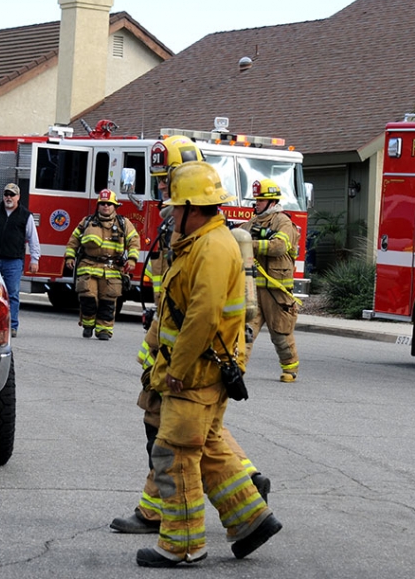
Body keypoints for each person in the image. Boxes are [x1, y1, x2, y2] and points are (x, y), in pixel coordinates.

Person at [111, 136, 269, 536]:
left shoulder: (219, 240)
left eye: (169, 185)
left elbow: (215, 311)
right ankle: (245, 494)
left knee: (177, 436)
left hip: (205, 352)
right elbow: (170, 294)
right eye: (162, 184)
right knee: (187, 431)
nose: (165, 195)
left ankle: (171, 523)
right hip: (176, 342)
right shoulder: (183, 231)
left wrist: (208, 362)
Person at [136, 161, 281, 568]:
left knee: (175, 453)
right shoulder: (202, 242)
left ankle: (183, 546)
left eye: (175, 208)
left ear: (194, 209)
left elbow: (201, 317)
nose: (170, 215)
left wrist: (177, 371)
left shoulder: (212, 248)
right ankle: (251, 520)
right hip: (202, 370)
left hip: (195, 373)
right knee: (211, 448)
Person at [240, 179, 302, 382]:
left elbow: (279, 246)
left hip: (277, 290)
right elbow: (237, 237)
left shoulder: (283, 221)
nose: (256, 203)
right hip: (253, 290)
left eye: (260, 200)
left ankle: (290, 369)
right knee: (245, 331)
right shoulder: (252, 223)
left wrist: (252, 243)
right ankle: (237, 367)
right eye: (256, 200)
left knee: (281, 334)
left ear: (272, 202)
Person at [64, 189, 140, 340]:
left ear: (115, 206)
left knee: (108, 301)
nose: (106, 206)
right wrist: (70, 258)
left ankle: (104, 330)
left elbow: (134, 241)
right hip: (89, 266)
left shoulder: (124, 224)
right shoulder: (87, 222)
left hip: (112, 269)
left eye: (109, 204)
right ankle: (87, 324)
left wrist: (132, 259)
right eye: (103, 203)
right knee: (88, 297)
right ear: (98, 206)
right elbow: (74, 240)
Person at [0, 182, 40, 338]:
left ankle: (12, 326)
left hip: (14, 261)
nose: (8, 197)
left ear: (18, 197)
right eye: (6, 194)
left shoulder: (26, 215)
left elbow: (33, 239)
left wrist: (35, 259)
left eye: (12, 194)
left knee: (12, 294)